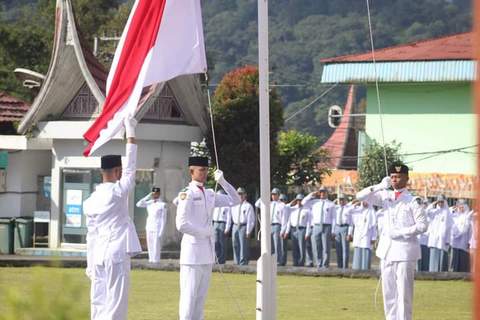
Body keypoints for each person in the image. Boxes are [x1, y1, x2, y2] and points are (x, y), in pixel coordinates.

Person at [83, 117, 142, 320]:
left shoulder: (90, 200)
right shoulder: (117, 192)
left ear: (102, 172)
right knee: (116, 304)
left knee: (98, 303)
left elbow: (90, 236)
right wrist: (131, 132)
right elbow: (131, 168)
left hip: (98, 255)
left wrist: (89, 264)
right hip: (116, 253)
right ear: (117, 171)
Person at [356, 163, 427, 320]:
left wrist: (401, 233)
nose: (395, 180)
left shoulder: (413, 200)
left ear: (406, 179)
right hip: (387, 250)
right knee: (388, 292)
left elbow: (422, 226)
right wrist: (380, 185)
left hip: (405, 251)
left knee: (404, 293)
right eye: (393, 177)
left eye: (399, 177)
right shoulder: (385, 196)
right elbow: (359, 196)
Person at [176, 157, 240, 320]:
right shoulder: (187, 193)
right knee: (188, 300)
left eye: (206, 170)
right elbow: (181, 224)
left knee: (200, 301)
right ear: (192, 171)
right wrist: (204, 232)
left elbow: (235, 200)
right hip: (192, 254)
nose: (205, 173)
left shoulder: (210, 194)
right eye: (201, 170)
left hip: (207, 253)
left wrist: (223, 182)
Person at [302, 186, 336, 269]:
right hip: (316, 226)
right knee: (316, 246)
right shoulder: (314, 202)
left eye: (324, 192)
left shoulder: (331, 204)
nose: (322, 194)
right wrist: (311, 194)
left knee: (325, 247)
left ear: (327, 193)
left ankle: (325, 265)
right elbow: (303, 202)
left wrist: (333, 230)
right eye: (321, 192)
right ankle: (318, 263)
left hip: (326, 226)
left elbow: (334, 218)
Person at [255, 188, 288, 266]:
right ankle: (271, 260)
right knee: (270, 245)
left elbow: (284, 219)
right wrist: (264, 195)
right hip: (268, 225)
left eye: (275, 194)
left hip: (277, 225)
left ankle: (278, 261)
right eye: (272, 194)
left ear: (278, 195)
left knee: (277, 244)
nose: (273, 196)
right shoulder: (269, 203)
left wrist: (283, 230)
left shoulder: (282, 205)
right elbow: (257, 204)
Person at [136, 187, 167, 263]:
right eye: (153, 193)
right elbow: (138, 204)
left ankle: (156, 261)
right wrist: (148, 196)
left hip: (157, 227)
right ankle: (151, 260)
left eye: (156, 193)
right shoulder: (149, 203)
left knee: (156, 245)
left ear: (159, 194)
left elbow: (164, 219)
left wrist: (161, 231)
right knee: (150, 244)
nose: (154, 195)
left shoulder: (162, 205)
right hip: (149, 226)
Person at [228, 187, 255, 265]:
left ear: (245, 195)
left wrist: (248, 231)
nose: (240, 195)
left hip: (243, 226)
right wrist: (229, 227)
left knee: (243, 245)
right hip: (235, 225)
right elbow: (230, 217)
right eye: (238, 194)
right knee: (235, 244)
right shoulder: (233, 205)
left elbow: (251, 220)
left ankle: (243, 262)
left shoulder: (248, 206)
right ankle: (236, 261)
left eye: (241, 194)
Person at [426, 195, 452, 272]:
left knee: (441, 258)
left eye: (442, 202)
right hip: (434, 239)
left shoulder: (447, 213)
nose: (440, 203)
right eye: (439, 202)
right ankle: (432, 272)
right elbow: (425, 212)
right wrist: (432, 204)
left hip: (442, 240)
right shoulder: (433, 211)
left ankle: (441, 274)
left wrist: (448, 240)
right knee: (434, 256)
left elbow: (449, 228)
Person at [285, 194, 312, 266]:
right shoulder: (292, 209)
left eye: (300, 200)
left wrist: (307, 233)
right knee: (294, 247)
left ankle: (301, 262)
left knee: (301, 247)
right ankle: (295, 262)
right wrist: (287, 231)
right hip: (294, 229)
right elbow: (286, 210)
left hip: (302, 229)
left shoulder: (307, 210)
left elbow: (309, 222)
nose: (299, 202)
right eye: (298, 200)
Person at [349, 201, 377, 271]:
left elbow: (374, 226)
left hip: (367, 235)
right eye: (363, 201)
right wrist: (355, 204)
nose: (365, 203)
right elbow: (347, 212)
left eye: (367, 201)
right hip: (358, 234)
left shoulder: (371, 212)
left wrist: (374, 237)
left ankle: (365, 270)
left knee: (366, 252)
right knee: (358, 252)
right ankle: (356, 270)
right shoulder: (357, 210)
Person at [450, 199, 472, 272]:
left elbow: (467, 230)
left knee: (463, 261)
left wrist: (469, 241)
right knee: (455, 260)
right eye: (460, 207)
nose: (461, 209)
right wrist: (455, 235)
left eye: (462, 207)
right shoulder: (455, 216)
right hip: (455, 243)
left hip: (464, 242)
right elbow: (452, 228)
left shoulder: (468, 217)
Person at [333, 195, 353, 269]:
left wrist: (349, 233)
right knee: (338, 249)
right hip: (337, 227)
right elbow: (334, 220)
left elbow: (351, 222)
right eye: (340, 200)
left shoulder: (349, 209)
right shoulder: (336, 208)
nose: (341, 201)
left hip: (345, 227)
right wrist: (334, 231)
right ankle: (339, 266)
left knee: (345, 248)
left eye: (342, 200)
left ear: (345, 200)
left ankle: (345, 267)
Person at [212, 190, 231, 264]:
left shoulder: (226, 205)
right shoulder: (215, 204)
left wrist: (227, 228)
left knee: (222, 242)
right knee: (215, 242)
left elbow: (229, 217)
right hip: (215, 223)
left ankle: (222, 260)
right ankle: (216, 258)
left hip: (223, 223)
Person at [416, 199, 430, 272]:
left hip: (426, 240)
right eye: (422, 204)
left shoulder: (429, 215)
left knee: (425, 258)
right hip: (418, 240)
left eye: (425, 204)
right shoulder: (417, 214)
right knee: (418, 259)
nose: (423, 205)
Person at [279, 193, 290, 266]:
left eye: (283, 200)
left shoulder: (287, 208)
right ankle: (278, 260)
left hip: (284, 228)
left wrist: (286, 231)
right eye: (281, 200)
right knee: (277, 245)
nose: (282, 201)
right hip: (277, 226)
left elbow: (288, 221)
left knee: (283, 246)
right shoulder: (277, 206)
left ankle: (283, 261)